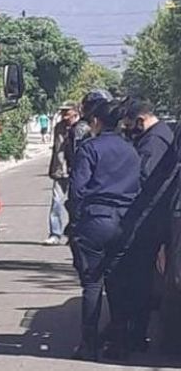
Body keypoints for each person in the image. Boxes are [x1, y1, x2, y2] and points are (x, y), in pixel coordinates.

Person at [67, 98, 141, 361]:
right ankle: (118, 343)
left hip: (96, 220)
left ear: (96, 121)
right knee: (117, 282)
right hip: (124, 222)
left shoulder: (90, 148)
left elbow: (77, 189)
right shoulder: (131, 150)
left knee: (92, 284)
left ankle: (89, 344)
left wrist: (76, 220)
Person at [104, 100, 174, 357]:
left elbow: (143, 179)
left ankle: (133, 335)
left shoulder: (154, 142)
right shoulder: (159, 135)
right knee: (139, 279)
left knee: (136, 280)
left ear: (141, 120)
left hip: (147, 221)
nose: (129, 130)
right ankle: (131, 333)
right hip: (149, 219)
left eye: (130, 125)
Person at [44, 102, 76, 245]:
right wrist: (52, 169)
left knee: (75, 204)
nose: (64, 115)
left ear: (75, 112)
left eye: (67, 112)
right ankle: (55, 233)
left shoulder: (81, 127)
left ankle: (73, 234)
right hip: (60, 171)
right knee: (56, 202)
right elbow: (56, 150)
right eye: (62, 112)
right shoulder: (59, 127)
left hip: (77, 171)